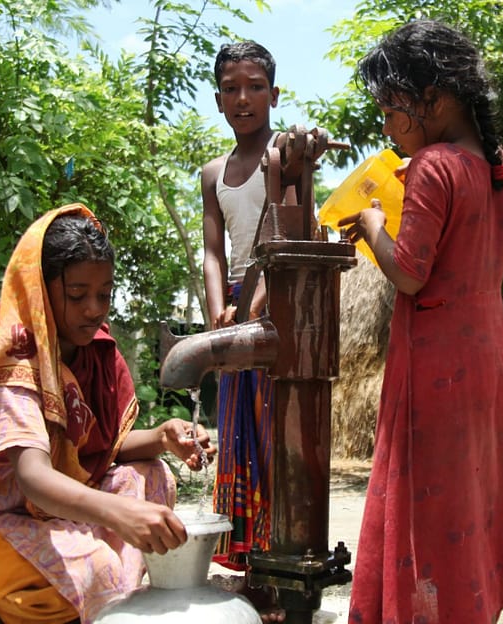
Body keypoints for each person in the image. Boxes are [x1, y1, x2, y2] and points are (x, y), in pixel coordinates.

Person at [0, 203, 216, 624]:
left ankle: (113, 606)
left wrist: (163, 437)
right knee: (95, 566)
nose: (94, 308)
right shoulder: (11, 363)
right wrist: (119, 514)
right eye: (77, 295)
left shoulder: (93, 353)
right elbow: (34, 477)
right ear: (41, 291)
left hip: (54, 509)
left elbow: (98, 450)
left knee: (149, 475)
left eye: (104, 294)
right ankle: (100, 600)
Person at [337, 19, 503, 623]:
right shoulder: (498, 167)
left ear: (438, 97)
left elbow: (409, 272)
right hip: (486, 363)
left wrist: (373, 225)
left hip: (435, 369)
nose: (386, 124)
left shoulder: (434, 166)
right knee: (472, 499)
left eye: (393, 107)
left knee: (429, 509)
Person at [199, 40, 293, 622]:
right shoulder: (213, 173)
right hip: (235, 307)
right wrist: (219, 308)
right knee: (237, 435)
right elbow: (215, 251)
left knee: (276, 434)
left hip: (281, 300)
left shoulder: (286, 155)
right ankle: (251, 565)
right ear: (218, 100)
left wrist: (259, 299)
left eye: (255, 86)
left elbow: (286, 230)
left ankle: (282, 566)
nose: (244, 98)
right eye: (232, 88)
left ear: (274, 95)